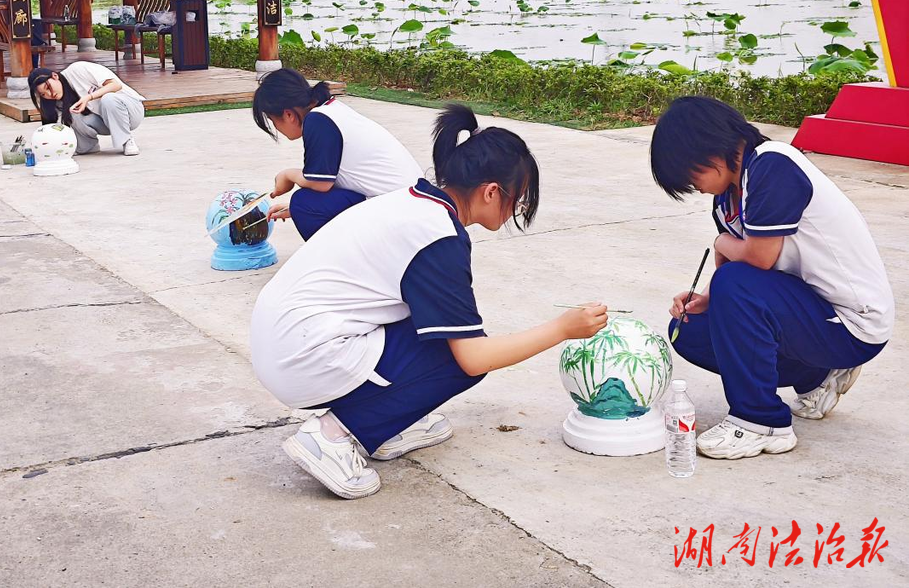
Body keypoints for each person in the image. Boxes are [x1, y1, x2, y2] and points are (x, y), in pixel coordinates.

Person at [251, 104, 608, 499]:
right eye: (517, 201)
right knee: (460, 359)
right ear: (491, 192)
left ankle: (381, 425)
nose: (514, 212)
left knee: (443, 329)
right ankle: (333, 435)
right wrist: (561, 329)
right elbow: (474, 357)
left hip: (282, 336)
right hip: (302, 354)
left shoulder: (414, 201)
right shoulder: (440, 236)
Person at [650, 96, 893, 460]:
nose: (693, 188)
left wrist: (720, 243)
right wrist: (706, 299)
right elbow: (743, 268)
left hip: (851, 321)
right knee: (689, 329)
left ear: (709, 152)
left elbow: (758, 260)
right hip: (809, 310)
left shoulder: (772, 166)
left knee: (734, 282)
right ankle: (817, 375)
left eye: (689, 176)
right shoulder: (728, 197)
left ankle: (761, 422)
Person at [252, 68, 423, 239]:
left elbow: (319, 184)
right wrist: (292, 210)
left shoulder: (317, 120)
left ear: (288, 114)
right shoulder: (331, 109)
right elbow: (335, 180)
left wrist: (287, 175)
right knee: (301, 205)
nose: (276, 128)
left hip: (401, 212)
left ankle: (340, 261)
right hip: (413, 203)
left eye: (273, 121)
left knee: (303, 202)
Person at [28, 61, 144, 156]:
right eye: (43, 94)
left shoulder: (78, 69)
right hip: (106, 121)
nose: (49, 94)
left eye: (48, 87)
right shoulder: (57, 101)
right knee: (72, 111)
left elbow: (115, 85)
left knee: (108, 99)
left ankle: (126, 140)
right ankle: (87, 147)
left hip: (131, 111)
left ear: (55, 76)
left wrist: (89, 97)